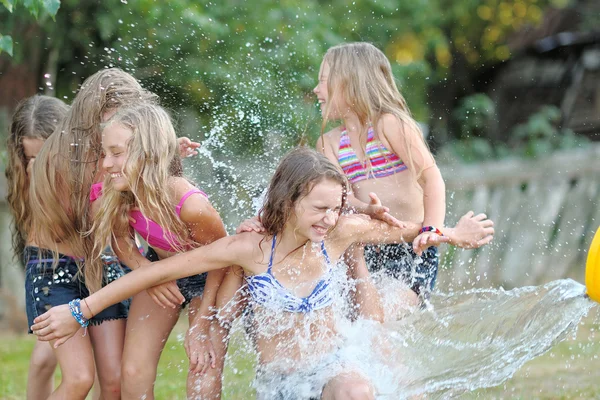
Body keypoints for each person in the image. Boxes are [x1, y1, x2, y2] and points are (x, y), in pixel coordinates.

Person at [32, 147, 494, 399]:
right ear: (288, 201)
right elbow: (161, 272)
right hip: (283, 383)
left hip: (335, 367)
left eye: (336, 208)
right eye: (319, 209)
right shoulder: (249, 249)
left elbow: (410, 230)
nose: (329, 219)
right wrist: (82, 308)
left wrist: (454, 233)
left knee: (356, 391)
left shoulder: (338, 233)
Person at [90, 102, 234, 399]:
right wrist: (149, 273)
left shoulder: (191, 206)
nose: (105, 164)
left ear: (148, 153)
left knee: (202, 366)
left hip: (214, 275)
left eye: (116, 153)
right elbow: (121, 242)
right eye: (105, 154)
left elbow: (225, 258)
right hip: (159, 267)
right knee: (133, 370)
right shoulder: (122, 194)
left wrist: (202, 323)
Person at [313, 42, 469, 304]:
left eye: (324, 81)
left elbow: (431, 178)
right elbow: (341, 198)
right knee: (361, 322)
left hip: (412, 248)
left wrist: (432, 230)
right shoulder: (328, 143)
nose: (316, 89)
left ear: (352, 83)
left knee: (387, 317)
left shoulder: (390, 124)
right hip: (365, 248)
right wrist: (366, 208)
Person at [6, 95, 67, 399]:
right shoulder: (25, 179)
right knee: (44, 360)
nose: (38, 166)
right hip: (50, 268)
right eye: (30, 158)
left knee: (98, 368)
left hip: (94, 264)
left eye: (45, 157)